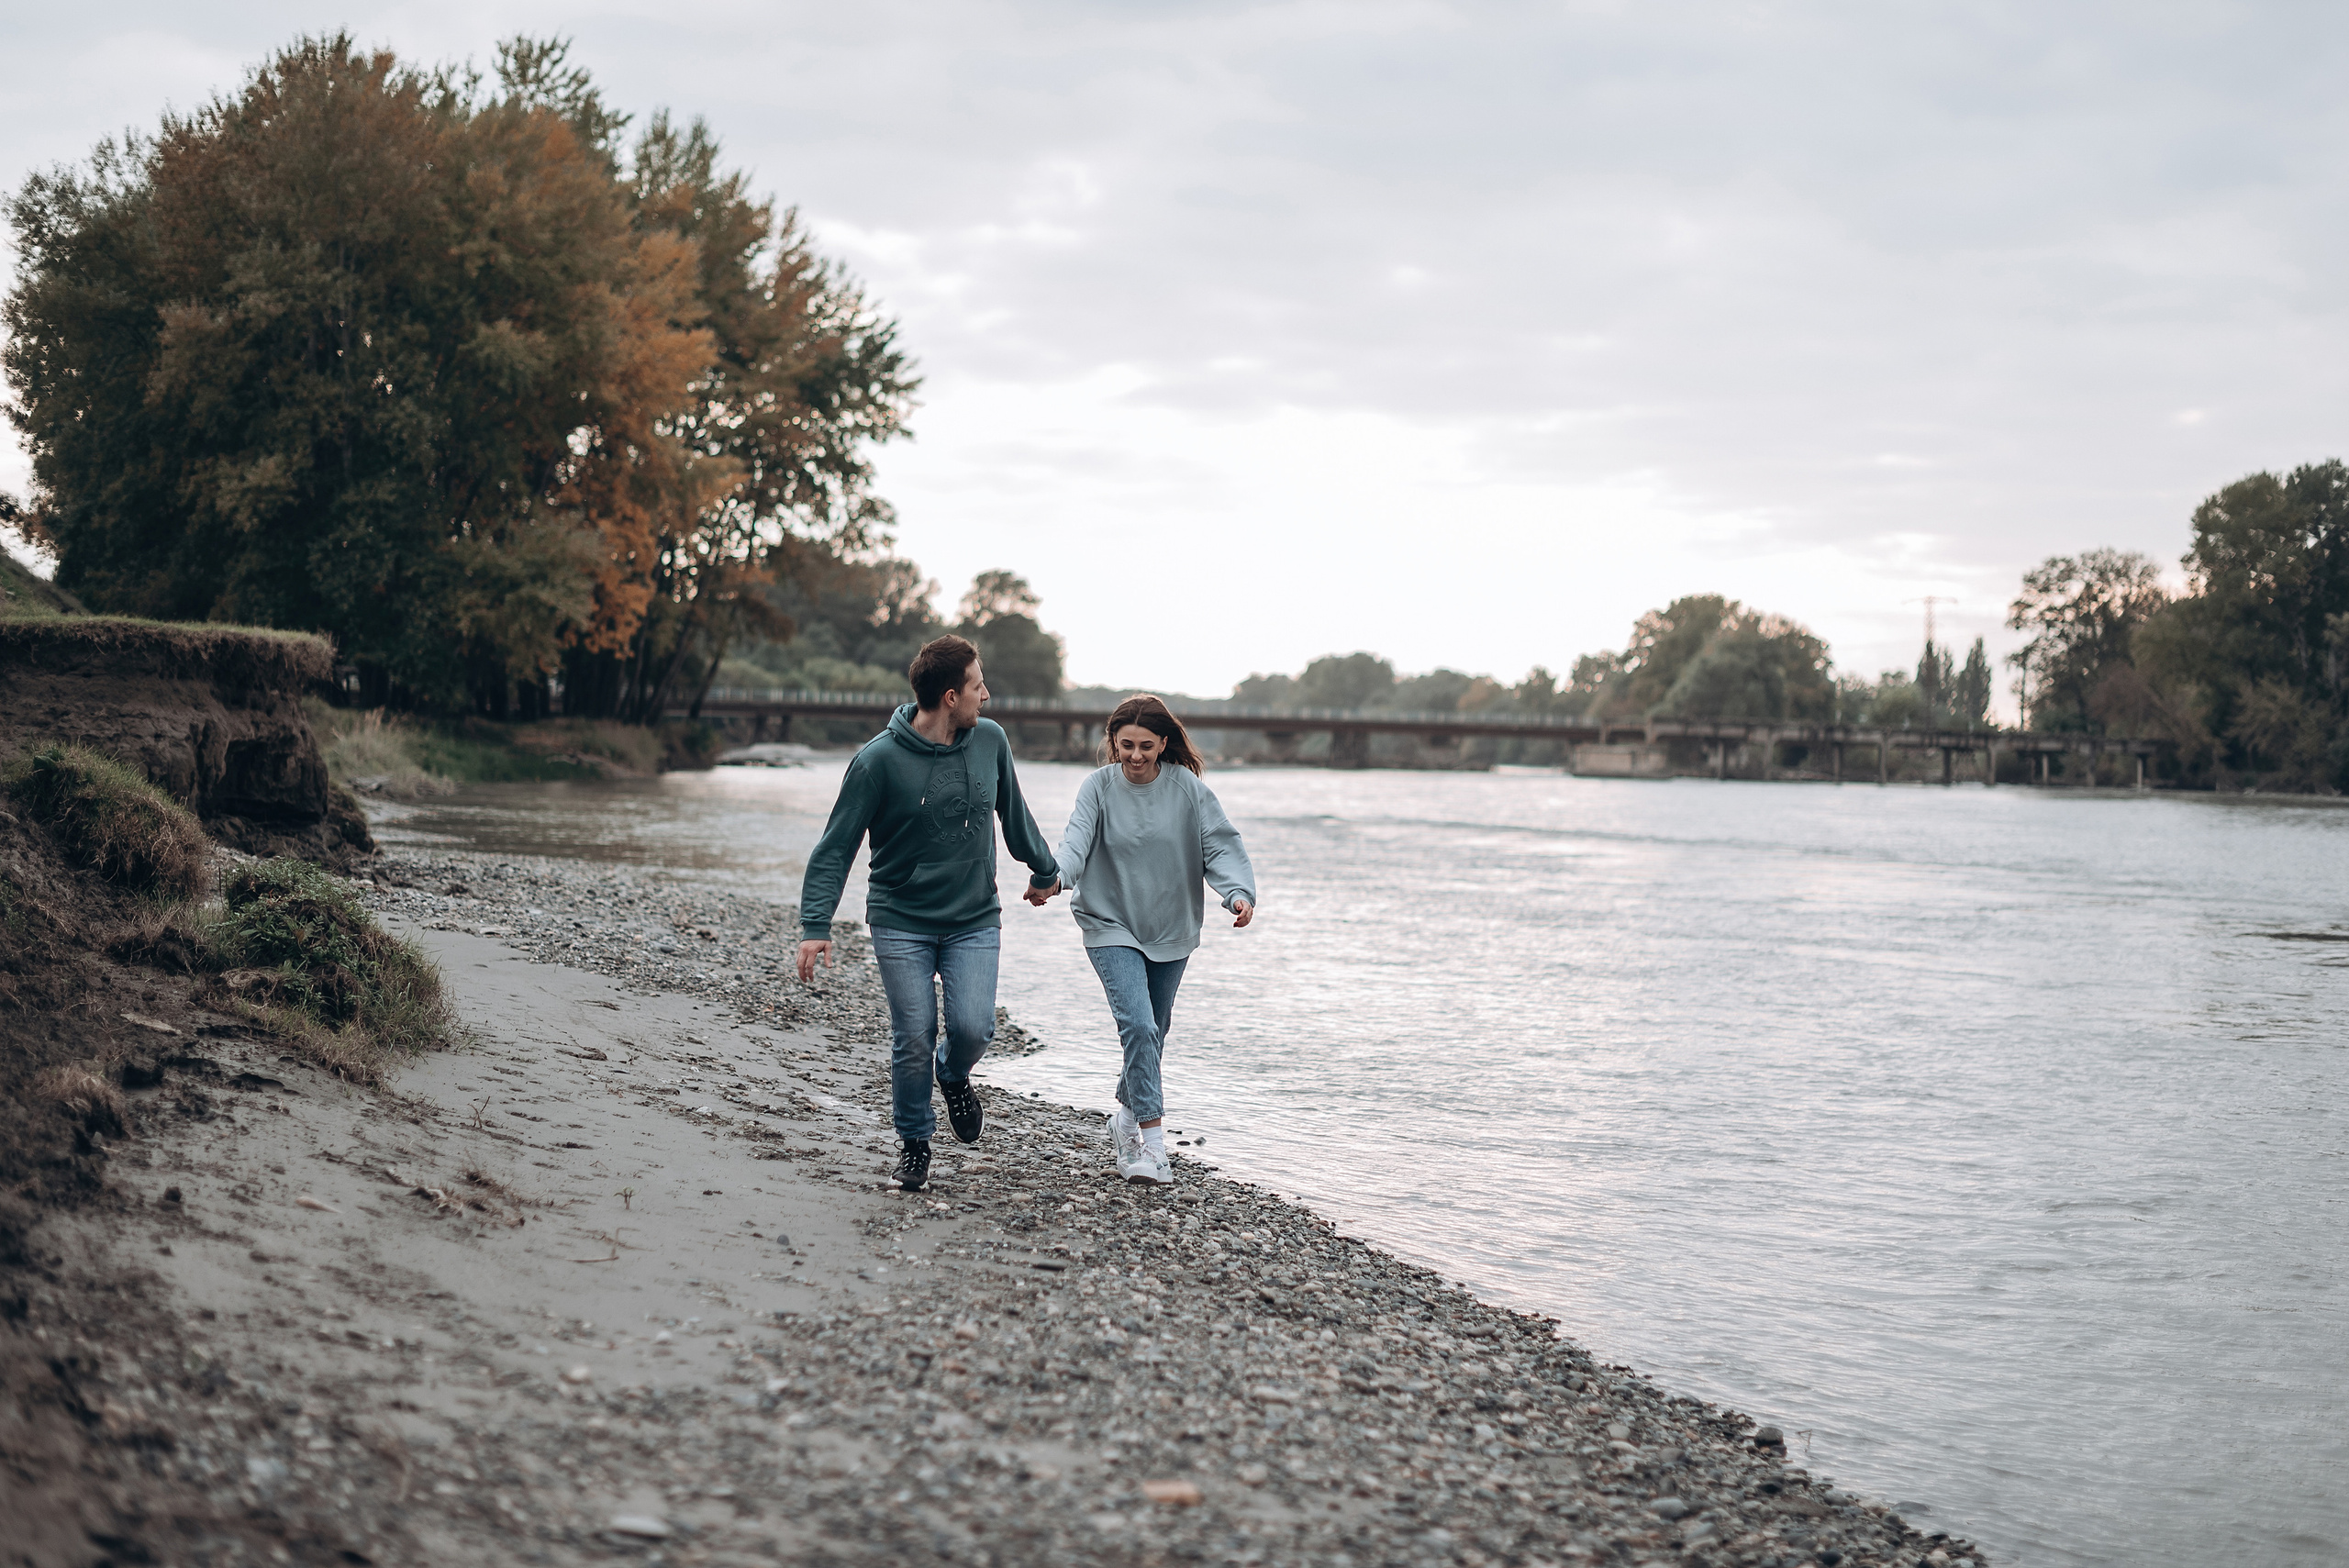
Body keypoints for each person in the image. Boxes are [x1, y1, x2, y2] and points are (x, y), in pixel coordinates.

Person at [797, 636, 1060, 1193]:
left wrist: (1043, 871)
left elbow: (1014, 813)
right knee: (913, 1032)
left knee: (973, 1026)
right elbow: (835, 846)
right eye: (976, 685)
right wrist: (815, 926)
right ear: (948, 696)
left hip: (973, 916)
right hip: (901, 918)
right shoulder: (876, 762)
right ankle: (914, 1143)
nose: (985, 695)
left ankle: (955, 1072)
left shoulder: (989, 740)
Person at [1028, 694, 1255, 1185]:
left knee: (1155, 1031)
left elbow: (1218, 842)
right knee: (1137, 1024)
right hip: (1109, 922)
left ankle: (1125, 1119)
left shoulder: (1188, 790)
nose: (1135, 755)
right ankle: (1152, 1147)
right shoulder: (1098, 787)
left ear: (1163, 744)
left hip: (1171, 927)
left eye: (1146, 746)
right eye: (1126, 745)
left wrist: (1236, 892)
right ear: (1113, 742)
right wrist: (1054, 878)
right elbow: (1075, 843)